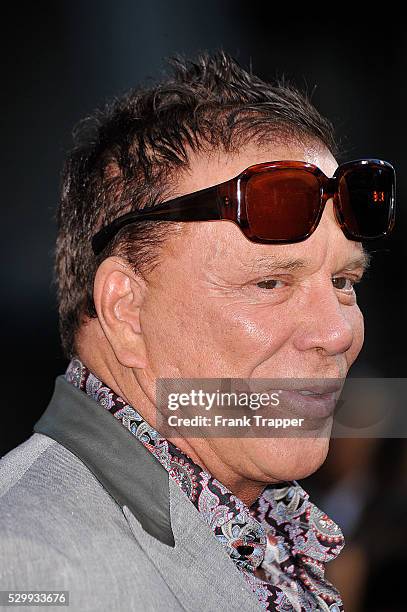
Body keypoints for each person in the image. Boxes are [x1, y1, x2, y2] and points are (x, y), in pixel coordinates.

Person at [0, 51, 395, 611]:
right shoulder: (28, 565)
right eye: (270, 284)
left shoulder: (260, 535)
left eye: (343, 281)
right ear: (125, 310)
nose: (337, 332)